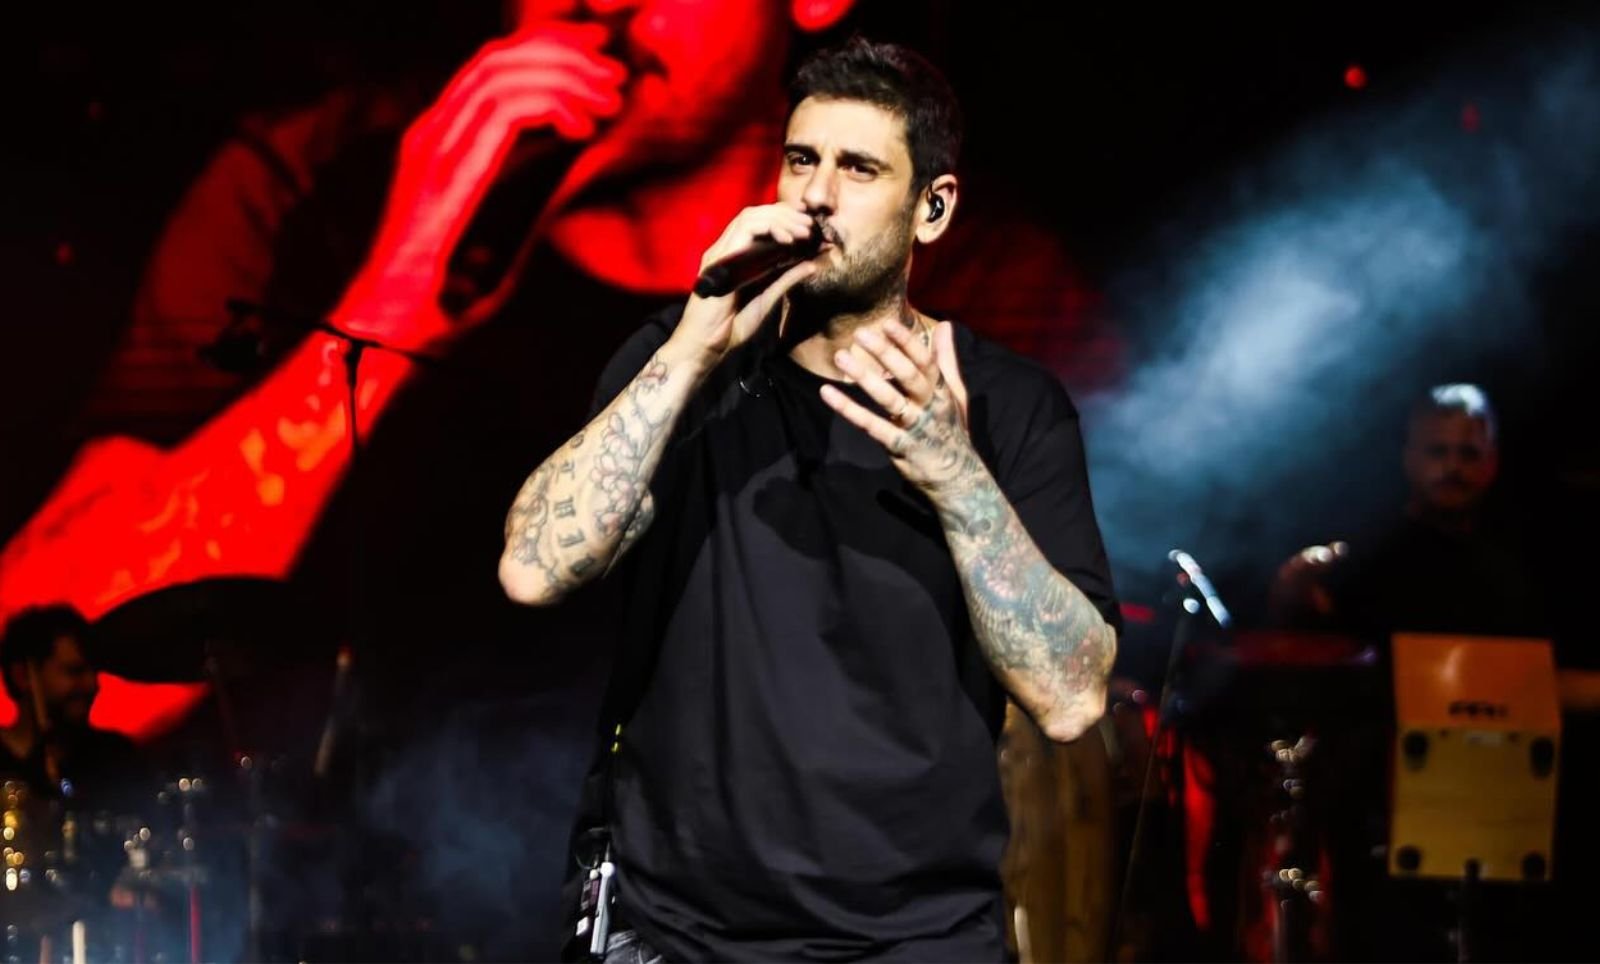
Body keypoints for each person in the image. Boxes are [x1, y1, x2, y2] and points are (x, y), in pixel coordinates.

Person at [498, 37, 1121, 961]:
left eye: (859, 168)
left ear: (933, 209)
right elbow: (532, 572)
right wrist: (690, 351)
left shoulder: (1009, 406)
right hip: (678, 932)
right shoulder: (686, 363)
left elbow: (1071, 700)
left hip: (913, 941)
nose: (817, 194)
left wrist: (955, 473)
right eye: (801, 160)